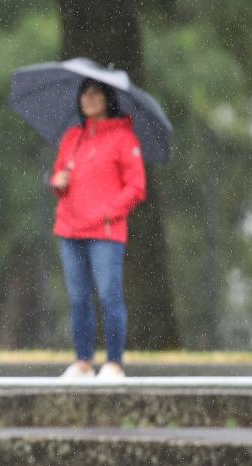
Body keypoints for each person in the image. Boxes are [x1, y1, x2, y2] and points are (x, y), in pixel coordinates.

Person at [50, 78, 147, 380]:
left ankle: (114, 362)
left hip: (105, 233)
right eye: (84, 94)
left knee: (108, 295)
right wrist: (58, 182)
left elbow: (136, 186)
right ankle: (83, 361)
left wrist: (108, 213)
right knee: (78, 298)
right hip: (70, 229)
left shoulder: (123, 137)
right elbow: (58, 175)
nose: (88, 98)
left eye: (95, 93)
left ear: (108, 99)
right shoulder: (72, 137)